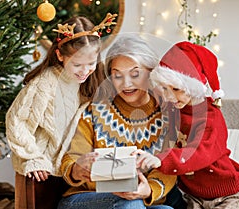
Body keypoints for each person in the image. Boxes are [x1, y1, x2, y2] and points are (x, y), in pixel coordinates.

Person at [57, 34, 176, 209]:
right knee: (130, 204)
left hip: (139, 200)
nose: (126, 84)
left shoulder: (166, 115)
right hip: (84, 198)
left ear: (150, 72)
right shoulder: (95, 111)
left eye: (135, 74)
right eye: (117, 75)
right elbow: (71, 157)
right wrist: (76, 169)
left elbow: (168, 165)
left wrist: (148, 190)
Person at [5, 15, 108, 208]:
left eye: (90, 64)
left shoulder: (93, 81)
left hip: (73, 170)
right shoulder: (45, 84)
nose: (84, 71)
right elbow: (16, 122)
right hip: (44, 171)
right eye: (77, 64)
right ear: (60, 55)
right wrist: (33, 158)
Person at [149, 41, 239, 209]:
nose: (170, 97)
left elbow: (198, 152)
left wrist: (160, 160)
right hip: (193, 196)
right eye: (165, 89)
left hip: (226, 194)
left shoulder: (211, 118)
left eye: (177, 89)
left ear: (193, 87)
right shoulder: (173, 110)